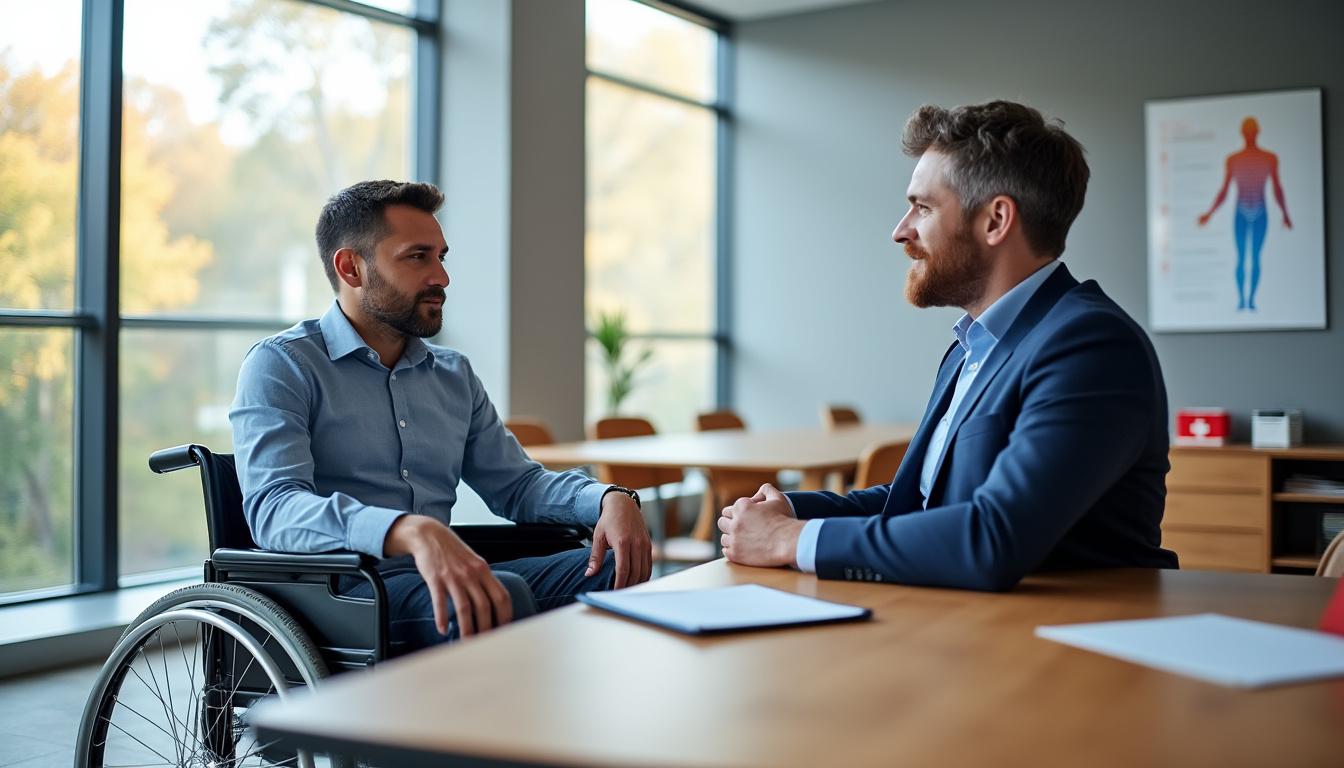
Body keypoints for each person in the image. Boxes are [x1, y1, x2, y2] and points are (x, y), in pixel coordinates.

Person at [717, 100, 1178, 590]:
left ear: (996, 220)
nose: (901, 231)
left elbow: (993, 537)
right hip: (971, 626)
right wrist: (790, 510)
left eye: (923, 207)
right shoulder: (971, 346)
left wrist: (793, 540)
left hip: (1064, 646)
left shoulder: (1091, 346)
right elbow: (916, 503)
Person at [230, 180, 652, 653]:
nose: (442, 277)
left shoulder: (452, 374)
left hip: (443, 579)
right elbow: (274, 510)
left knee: (619, 564)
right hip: (344, 595)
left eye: (441, 257)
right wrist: (404, 529)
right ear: (351, 268)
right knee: (499, 596)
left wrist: (606, 498)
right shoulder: (283, 365)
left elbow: (518, 486)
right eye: (417, 257)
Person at [1196, 116, 1292, 311]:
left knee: (1255, 257)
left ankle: (1251, 300)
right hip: (1240, 212)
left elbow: (1277, 188)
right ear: (1243, 133)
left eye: (1252, 130)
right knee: (1241, 258)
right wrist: (1210, 213)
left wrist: (1285, 214)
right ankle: (1242, 300)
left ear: (1256, 132)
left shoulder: (1269, 158)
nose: (1249, 134)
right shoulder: (1233, 159)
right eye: (1247, 131)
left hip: (1260, 211)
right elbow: (1224, 190)